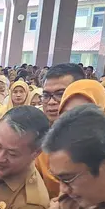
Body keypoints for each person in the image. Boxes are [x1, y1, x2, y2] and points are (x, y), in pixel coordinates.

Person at [34, 63, 84, 198]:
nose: (51, 102)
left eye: (60, 94)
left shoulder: (99, 143)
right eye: (46, 95)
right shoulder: (34, 135)